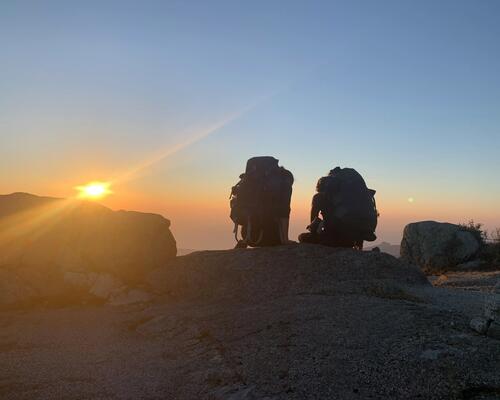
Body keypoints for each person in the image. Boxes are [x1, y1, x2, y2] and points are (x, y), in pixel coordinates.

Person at [298, 167, 378, 249]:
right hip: (362, 231)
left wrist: (315, 228)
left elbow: (333, 223)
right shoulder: (355, 194)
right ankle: (356, 245)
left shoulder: (324, 199)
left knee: (302, 237)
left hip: (340, 239)